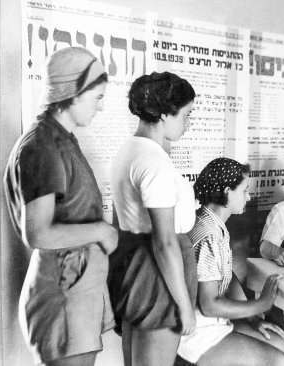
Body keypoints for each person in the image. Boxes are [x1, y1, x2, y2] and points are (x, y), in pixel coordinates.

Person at [3, 47, 118, 366]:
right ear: (73, 93)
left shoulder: (61, 140)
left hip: (77, 289)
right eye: (96, 97)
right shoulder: (43, 147)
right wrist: (101, 230)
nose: (100, 106)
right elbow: (37, 233)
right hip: (64, 293)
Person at [109, 71, 197, 366]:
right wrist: (184, 306)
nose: (188, 123)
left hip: (134, 263)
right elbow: (164, 242)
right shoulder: (153, 162)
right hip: (159, 271)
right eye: (185, 115)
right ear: (162, 114)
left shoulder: (130, 150)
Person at [177, 157, 284, 366]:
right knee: (277, 361)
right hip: (197, 333)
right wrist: (260, 305)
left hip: (215, 323)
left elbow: (228, 277)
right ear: (228, 191)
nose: (248, 196)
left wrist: (253, 318)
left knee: (280, 343)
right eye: (245, 190)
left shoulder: (212, 223)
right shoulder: (207, 235)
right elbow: (209, 305)